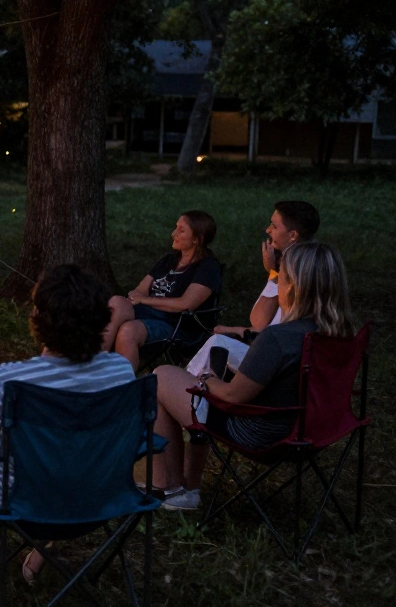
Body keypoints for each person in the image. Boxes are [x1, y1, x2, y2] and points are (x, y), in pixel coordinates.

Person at [0, 265, 136, 581]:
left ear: (39, 318)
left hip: (20, 505)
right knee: (70, 452)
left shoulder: (11, 379)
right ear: (101, 320)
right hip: (99, 500)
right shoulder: (121, 372)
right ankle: (41, 551)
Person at [149, 242, 355, 511]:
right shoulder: (342, 336)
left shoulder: (278, 339)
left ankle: (174, 489)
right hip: (313, 431)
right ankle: (182, 485)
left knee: (161, 376)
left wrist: (208, 379)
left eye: (281, 277)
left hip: (260, 434)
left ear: (293, 286)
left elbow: (233, 396)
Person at [184, 201, 320, 378]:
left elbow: (261, 323)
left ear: (293, 235)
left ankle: (190, 394)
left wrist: (274, 274)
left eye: (274, 225)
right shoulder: (313, 266)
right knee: (218, 341)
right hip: (281, 353)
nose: (267, 230)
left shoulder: (296, 272)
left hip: (279, 364)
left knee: (217, 344)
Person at [104, 211, 222, 369]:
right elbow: (139, 291)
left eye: (181, 230)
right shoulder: (168, 260)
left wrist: (145, 300)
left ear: (197, 239)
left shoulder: (208, 267)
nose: (173, 234)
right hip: (149, 313)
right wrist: (141, 299)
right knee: (115, 304)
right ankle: (95, 366)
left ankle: (116, 382)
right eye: (176, 228)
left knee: (128, 330)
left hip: (177, 325)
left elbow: (186, 304)